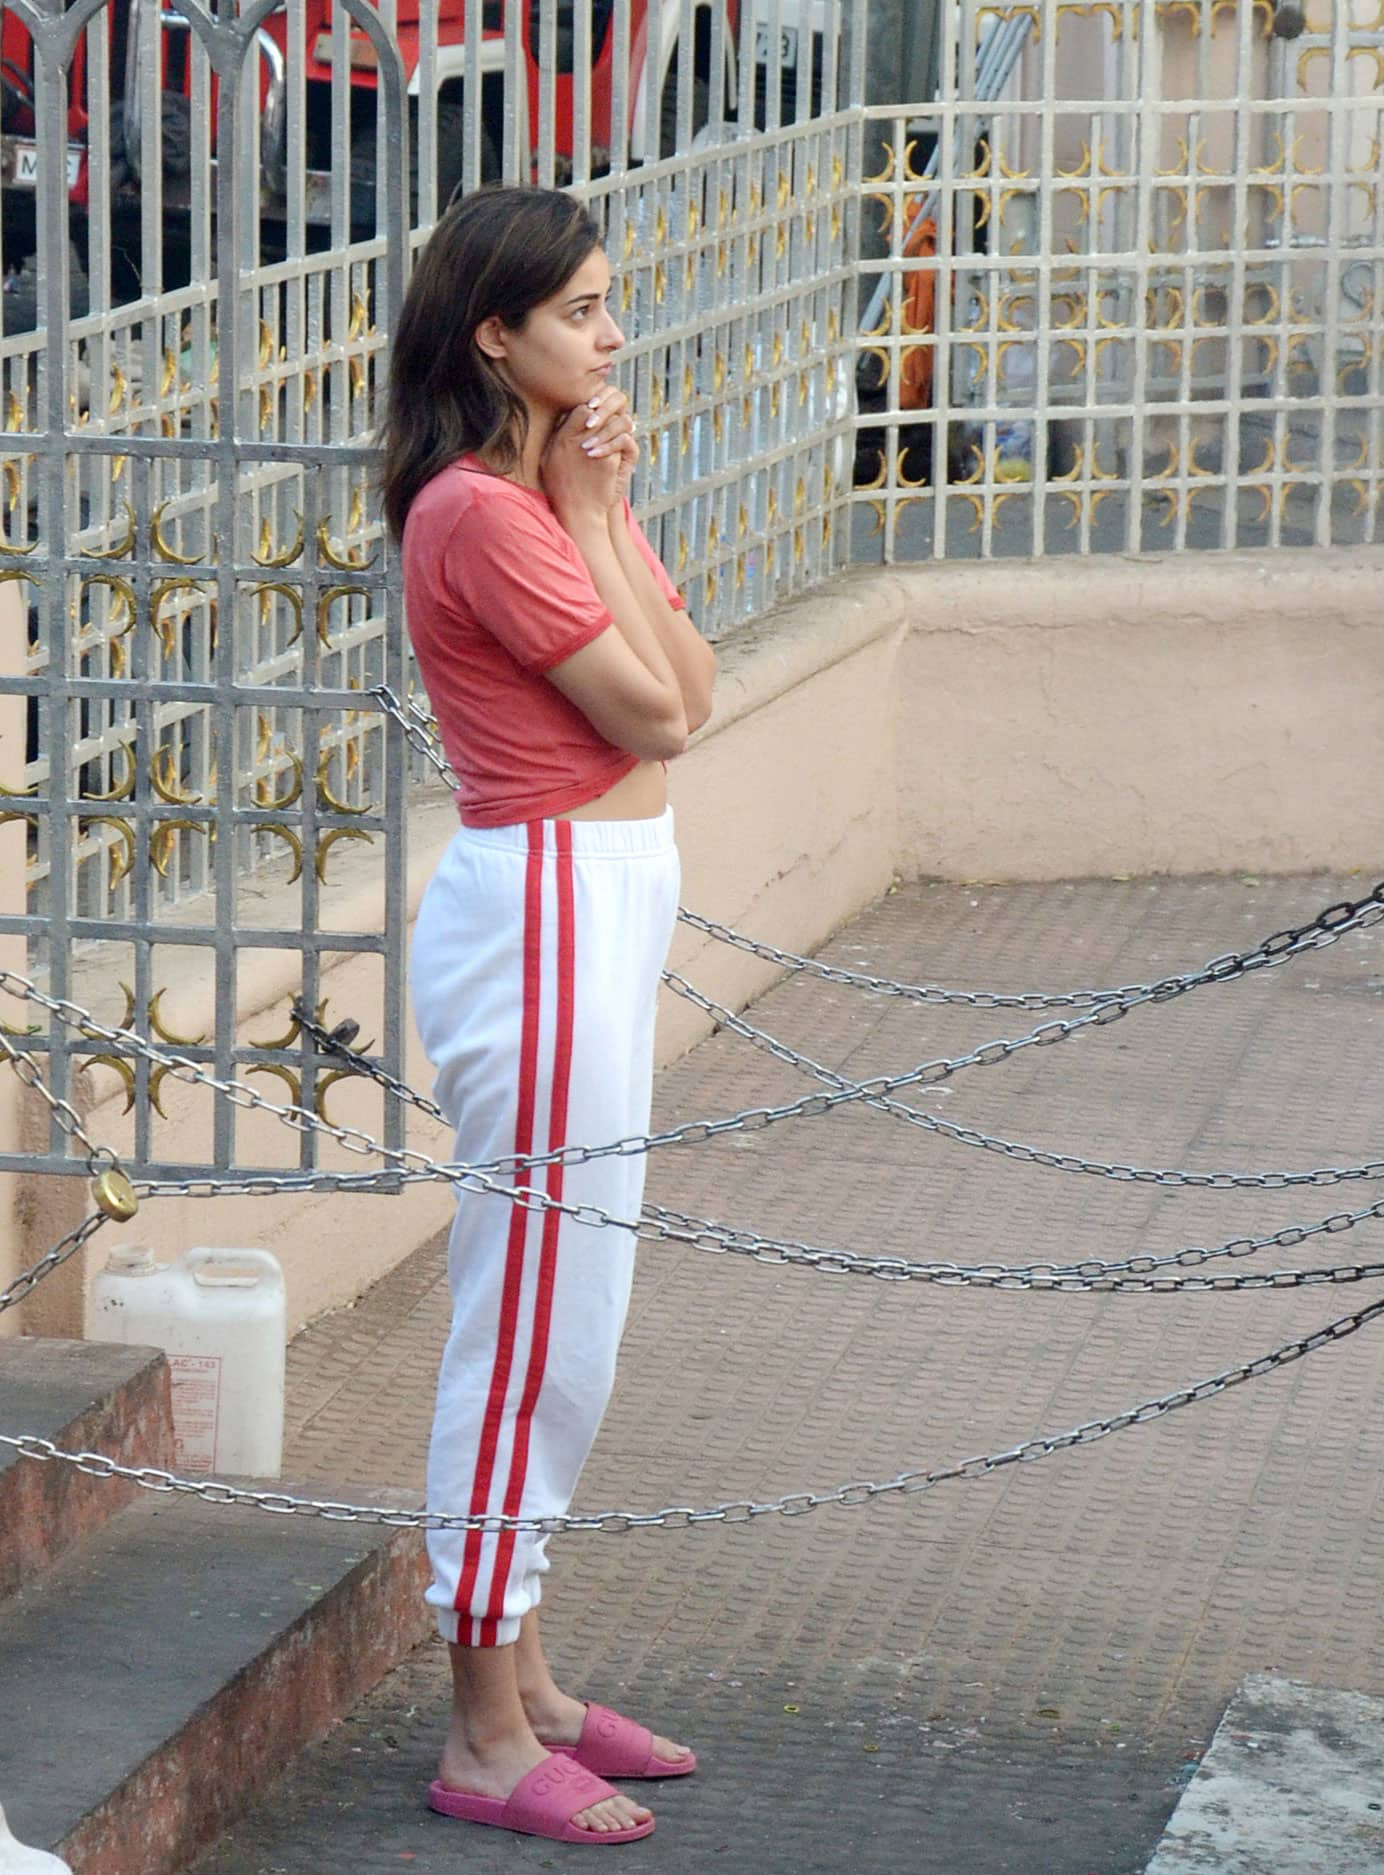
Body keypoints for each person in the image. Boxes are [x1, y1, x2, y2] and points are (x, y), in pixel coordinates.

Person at [380, 184, 716, 1848]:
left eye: (610, 302)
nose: (614, 332)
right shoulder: (486, 514)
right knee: (525, 1322)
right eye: (583, 310)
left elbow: (698, 693)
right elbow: (649, 704)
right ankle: (480, 1727)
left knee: (570, 1313)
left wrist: (598, 508)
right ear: (495, 334)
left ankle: (530, 1682)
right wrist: (590, 520)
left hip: (603, 898)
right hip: (544, 911)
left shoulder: (552, 490)